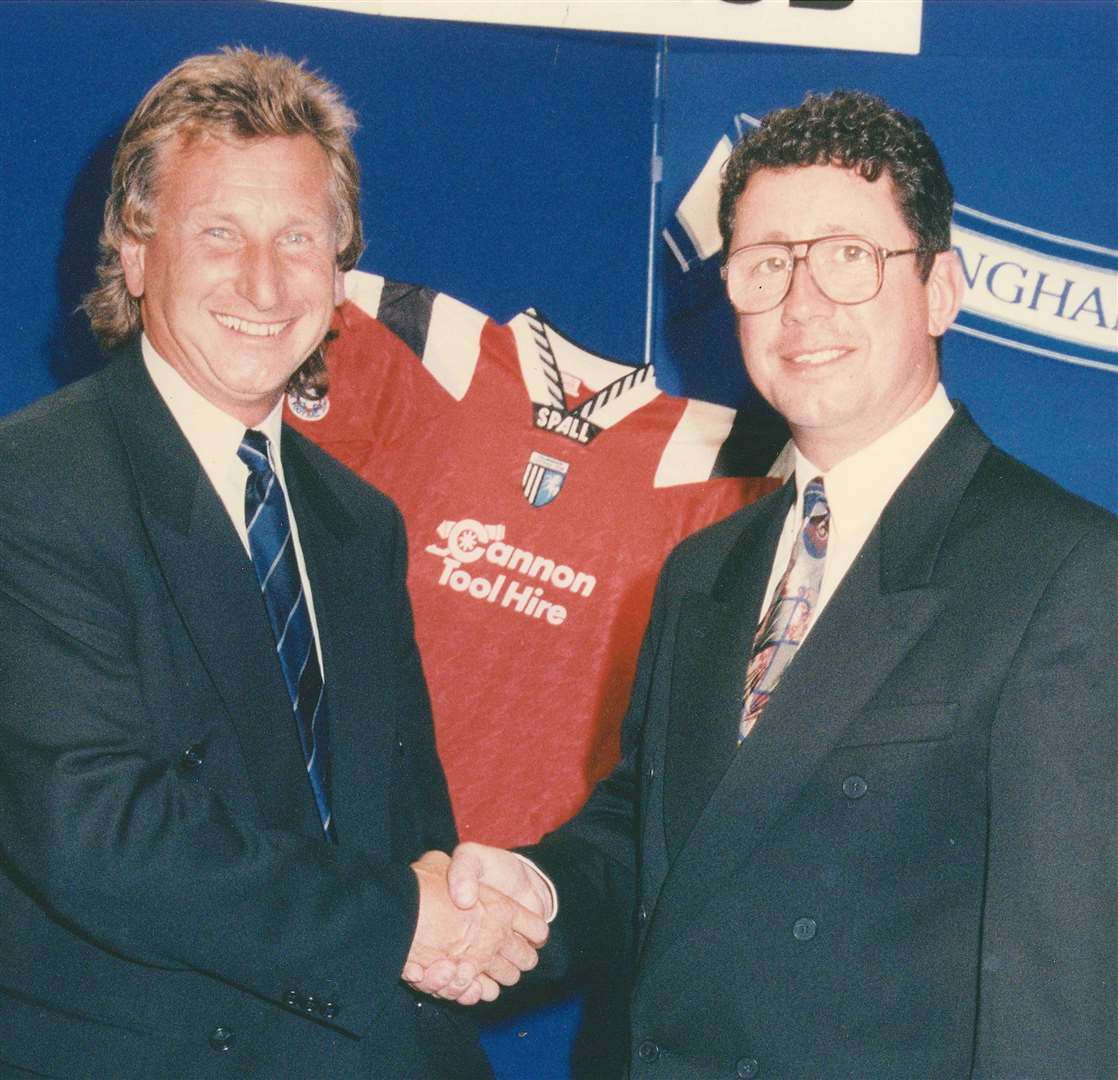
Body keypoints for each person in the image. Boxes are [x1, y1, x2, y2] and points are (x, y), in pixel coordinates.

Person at [414, 90, 1118, 1078]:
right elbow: (659, 846)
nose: (800, 304)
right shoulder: (707, 568)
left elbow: (1065, 1003)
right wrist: (530, 893)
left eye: (846, 258)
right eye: (764, 265)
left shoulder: (1066, 575)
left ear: (940, 290)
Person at [0, 48, 547, 1079]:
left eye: (298, 238)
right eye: (218, 234)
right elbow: (96, 834)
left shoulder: (359, 524)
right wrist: (404, 923)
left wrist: (461, 923)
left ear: (341, 269)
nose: (263, 281)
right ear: (132, 251)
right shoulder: (29, 488)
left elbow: (406, 836)